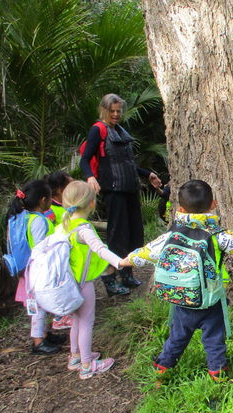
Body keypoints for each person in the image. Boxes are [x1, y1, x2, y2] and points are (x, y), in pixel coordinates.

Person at [119, 180, 233, 383]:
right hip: (210, 300)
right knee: (214, 337)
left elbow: (144, 253)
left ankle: (162, 368)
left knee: (177, 336)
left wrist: (124, 261)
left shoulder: (170, 236)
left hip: (181, 298)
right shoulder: (218, 235)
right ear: (213, 205)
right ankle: (217, 374)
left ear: (180, 209)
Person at [80, 93, 161, 296]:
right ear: (104, 110)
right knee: (118, 235)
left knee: (135, 232)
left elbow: (128, 164)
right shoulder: (98, 130)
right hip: (114, 189)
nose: (116, 115)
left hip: (130, 188)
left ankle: (127, 274)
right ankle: (109, 278)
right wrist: (90, 177)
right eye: (112, 111)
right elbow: (85, 159)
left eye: (118, 111)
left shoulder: (121, 131)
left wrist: (148, 174)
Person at [58, 181, 124, 379]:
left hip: (68, 283)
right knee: (86, 322)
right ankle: (87, 365)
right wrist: (122, 262)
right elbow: (100, 249)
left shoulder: (63, 225)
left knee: (76, 321)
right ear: (92, 204)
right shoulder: (84, 229)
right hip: (82, 284)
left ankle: (75, 356)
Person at [9, 180, 67, 355]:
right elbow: (40, 246)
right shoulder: (38, 221)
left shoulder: (23, 218)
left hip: (29, 270)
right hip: (37, 271)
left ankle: (42, 335)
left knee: (39, 304)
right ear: (43, 200)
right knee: (38, 306)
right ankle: (38, 343)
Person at [44, 171, 75, 330]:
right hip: (56, 252)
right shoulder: (51, 210)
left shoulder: (64, 206)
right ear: (59, 190)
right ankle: (59, 317)